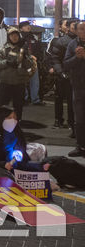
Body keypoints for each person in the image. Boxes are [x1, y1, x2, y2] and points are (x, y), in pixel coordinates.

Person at [0, 106, 48, 177]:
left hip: (15, 168)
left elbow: (23, 158)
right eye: (9, 118)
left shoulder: (17, 133)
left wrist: (39, 166)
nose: (12, 120)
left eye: (14, 118)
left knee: (46, 165)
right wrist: (3, 164)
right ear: (1, 119)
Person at [0, 27, 36, 121]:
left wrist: (25, 57)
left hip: (19, 82)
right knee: (1, 107)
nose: (14, 37)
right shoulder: (2, 49)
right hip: (5, 82)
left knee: (18, 107)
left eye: (16, 35)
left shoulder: (23, 50)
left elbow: (30, 65)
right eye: (12, 35)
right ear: (8, 36)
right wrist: (7, 62)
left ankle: (16, 127)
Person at [47, 19, 77, 130]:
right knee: (60, 98)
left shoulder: (80, 40)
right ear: (68, 28)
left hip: (76, 75)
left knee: (72, 100)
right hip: (63, 74)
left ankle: (72, 121)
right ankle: (59, 120)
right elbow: (55, 58)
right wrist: (60, 72)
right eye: (75, 27)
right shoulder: (60, 41)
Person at [63, 21, 85, 157]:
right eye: (82, 29)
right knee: (79, 119)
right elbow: (65, 64)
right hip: (78, 87)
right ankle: (80, 146)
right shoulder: (72, 45)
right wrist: (77, 58)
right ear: (76, 31)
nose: (84, 31)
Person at [19, 21, 44, 105]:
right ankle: (24, 98)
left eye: (28, 25)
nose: (28, 27)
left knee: (35, 81)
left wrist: (38, 57)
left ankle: (35, 99)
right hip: (22, 62)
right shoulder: (19, 37)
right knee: (22, 80)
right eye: (25, 26)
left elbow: (39, 48)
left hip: (33, 62)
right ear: (21, 28)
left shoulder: (33, 37)